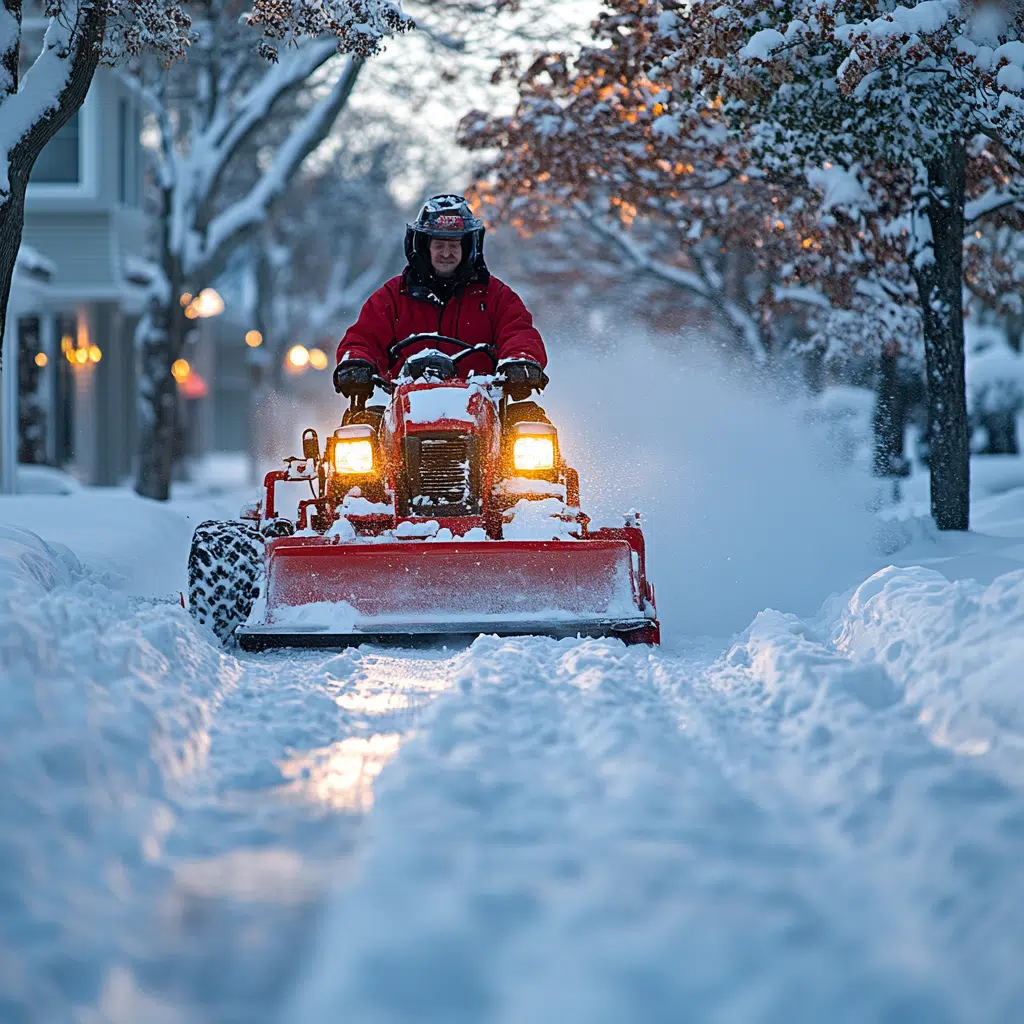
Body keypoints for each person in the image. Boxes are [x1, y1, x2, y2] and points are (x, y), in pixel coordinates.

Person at [334, 195, 548, 402]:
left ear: (468, 248)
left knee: (531, 428)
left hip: (483, 411)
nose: (446, 253)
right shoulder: (393, 296)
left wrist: (521, 360)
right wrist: (356, 363)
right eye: (439, 245)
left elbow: (519, 332)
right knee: (357, 430)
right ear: (425, 247)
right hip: (404, 413)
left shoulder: (495, 296)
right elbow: (363, 338)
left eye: (454, 245)